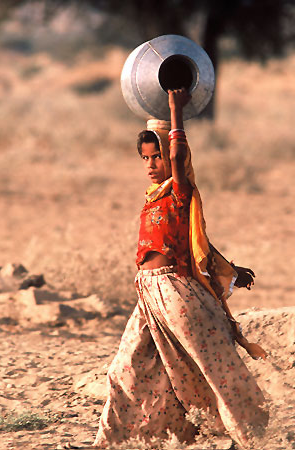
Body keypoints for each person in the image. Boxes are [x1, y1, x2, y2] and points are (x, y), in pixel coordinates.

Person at [93, 89, 268, 449]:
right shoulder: (152, 197)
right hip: (147, 292)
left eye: (157, 156)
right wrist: (230, 267)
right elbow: (193, 239)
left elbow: (178, 155)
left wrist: (175, 110)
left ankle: (253, 434)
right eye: (145, 158)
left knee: (213, 367)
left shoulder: (180, 191)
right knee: (125, 369)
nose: (152, 164)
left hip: (175, 291)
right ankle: (114, 442)